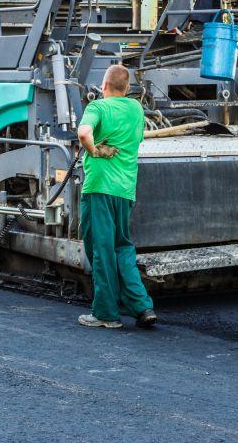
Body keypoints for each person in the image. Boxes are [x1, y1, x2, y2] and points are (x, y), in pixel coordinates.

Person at [76, 63, 156, 329]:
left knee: (101, 250)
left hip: (99, 188)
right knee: (123, 247)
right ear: (128, 88)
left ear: (104, 85)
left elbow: (84, 133)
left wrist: (95, 151)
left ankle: (106, 314)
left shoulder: (97, 107)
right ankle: (142, 306)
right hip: (125, 191)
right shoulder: (136, 109)